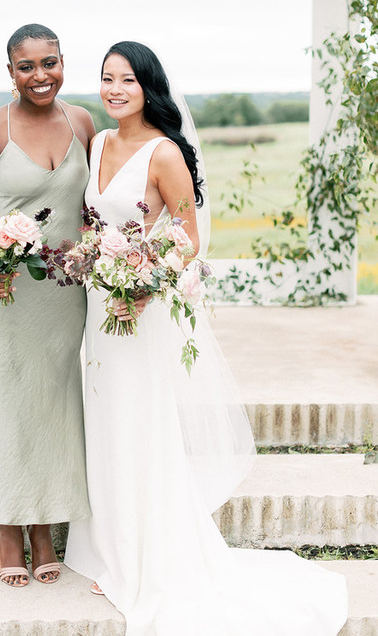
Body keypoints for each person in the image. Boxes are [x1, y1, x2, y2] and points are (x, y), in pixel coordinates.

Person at [64, 41, 348, 635]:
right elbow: (95, 223)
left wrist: (147, 283)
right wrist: (97, 262)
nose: (115, 90)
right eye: (107, 79)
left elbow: (189, 238)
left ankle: (150, 555)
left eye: (127, 80)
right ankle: (110, 550)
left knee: (142, 421)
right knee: (106, 419)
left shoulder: (164, 154)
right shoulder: (98, 144)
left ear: (149, 87)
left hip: (140, 311)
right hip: (99, 306)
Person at [0, 23, 95, 587]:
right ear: (9, 71)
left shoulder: (82, 121)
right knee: (8, 404)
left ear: (63, 62)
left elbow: (91, 205)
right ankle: (10, 526)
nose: (41, 76)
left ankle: (44, 527)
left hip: (63, 296)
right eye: (27, 66)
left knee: (56, 404)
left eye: (50, 63)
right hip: (5, 294)